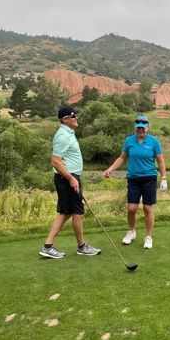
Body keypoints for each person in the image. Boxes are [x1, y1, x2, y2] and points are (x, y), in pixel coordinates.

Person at [39, 105, 101, 259]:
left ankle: (48, 246)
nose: (76, 118)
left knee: (66, 212)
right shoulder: (63, 136)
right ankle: (81, 246)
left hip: (68, 177)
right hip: (67, 178)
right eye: (74, 115)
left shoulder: (68, 133)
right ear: (65, 119)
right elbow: (55, 161)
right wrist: (71, 178)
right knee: (77, 212)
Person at [103, 114, 167, 249]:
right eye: (139, 128)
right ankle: (131, 232)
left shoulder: (154, 142)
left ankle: (148, 237)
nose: (141, 131)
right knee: (132, 208)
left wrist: (164, 178)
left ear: (148, 128)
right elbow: (122, 158)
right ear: (136, 128)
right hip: (133, 178)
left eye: (143, 128)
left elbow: (160, 161)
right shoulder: (129, 141)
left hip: (149, 178)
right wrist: (111, 169)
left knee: (147, 208)